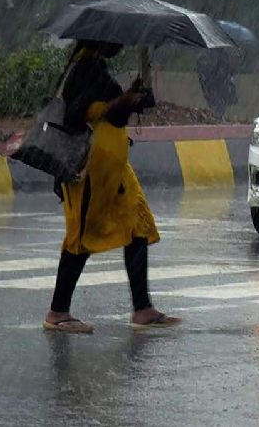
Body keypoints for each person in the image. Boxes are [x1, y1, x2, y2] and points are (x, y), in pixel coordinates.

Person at [43, 40, 178, 333]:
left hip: (114, 169)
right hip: (90, 169)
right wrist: (121, 102)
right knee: (81, 236)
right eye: (114, 41)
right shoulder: (83, 69)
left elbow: (112, 112)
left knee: (137, 225)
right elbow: (76, 114)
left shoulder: (97, 67)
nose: (119, 45)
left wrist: (133, 98)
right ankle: (58, 312)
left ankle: (142, 308)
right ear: (99, 40)